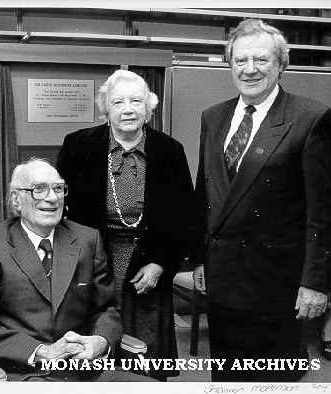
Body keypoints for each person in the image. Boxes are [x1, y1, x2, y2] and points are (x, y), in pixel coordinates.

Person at [192, 18, 331, 382]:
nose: (250, 69)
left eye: (261, 60)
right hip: (222, 278)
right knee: (225, 378)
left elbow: (323, 212)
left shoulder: (310, 117)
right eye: (240, 60)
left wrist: (316, 283)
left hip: (276, 284)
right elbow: (205, 196)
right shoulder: (214, 117)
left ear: (281, 64)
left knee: (274, 378)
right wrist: (199, 260)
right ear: (230, 64)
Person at [56, 70, 199, 381]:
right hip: (92, 263)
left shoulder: (170, 150)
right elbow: (57, 209)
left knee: (145, 355)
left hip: (148, 264)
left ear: (148, 107)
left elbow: (187, 216)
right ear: (106, 108)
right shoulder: (77, 146)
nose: (128, 109)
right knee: (93, 345)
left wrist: (161, 264)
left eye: (136, 101)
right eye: (118, 102)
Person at [0, 159, 155, 382]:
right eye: (38, 189)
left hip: (86, 370)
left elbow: (107, 308)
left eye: (58, 188)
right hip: (24, 373)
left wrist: (101, 340)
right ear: (16, 199)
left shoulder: (87, 240)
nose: (52, 198)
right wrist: (43, 351)